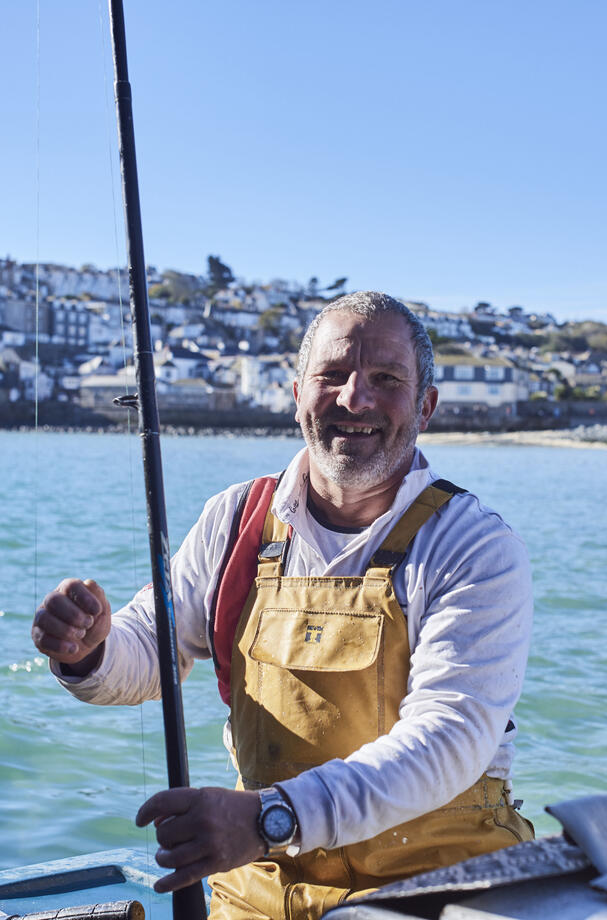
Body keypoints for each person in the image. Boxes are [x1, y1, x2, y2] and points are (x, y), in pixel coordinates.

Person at [32, 292, 535, 919]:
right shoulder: (237, 519)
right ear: (297, 393)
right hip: (262, 888)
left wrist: (268, 817)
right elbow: (151, 649)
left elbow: (449, 738)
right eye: (331, 377)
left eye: (386, 379)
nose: (355, 399)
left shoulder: (475, 545)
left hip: (439, 888)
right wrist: (90, 649)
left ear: (426, 405)